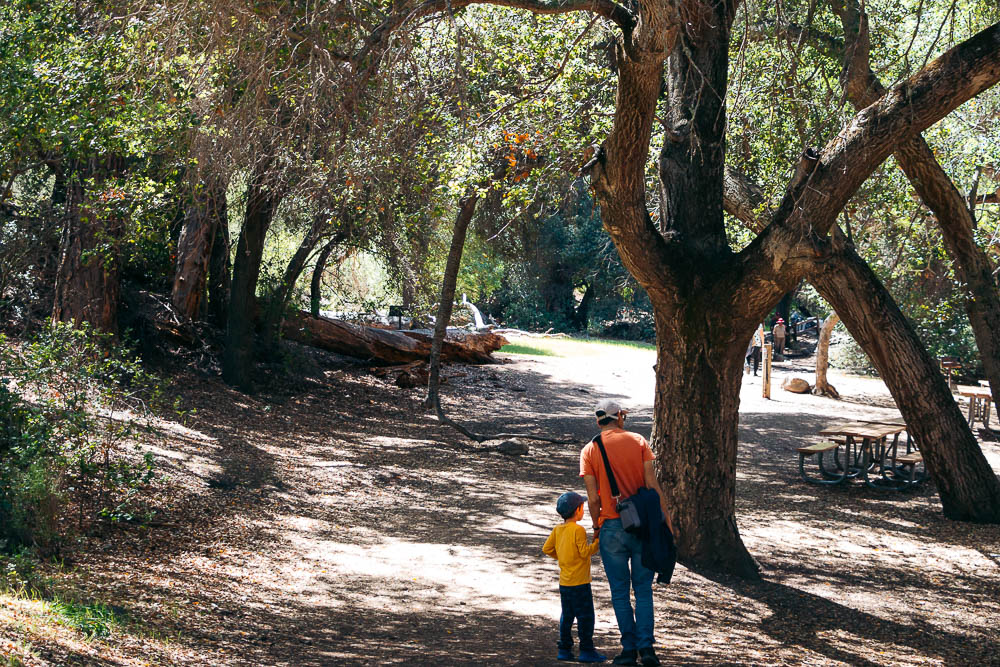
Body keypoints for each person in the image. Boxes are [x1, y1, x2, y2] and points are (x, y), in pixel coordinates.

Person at [581, 400, 673, 667]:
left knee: (619, 592)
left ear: (598, 421)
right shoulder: (638, 441)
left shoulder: (589, 450)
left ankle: (628, 649)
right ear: (619, 417)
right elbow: (652, 484)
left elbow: (592, 498)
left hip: (611, 527)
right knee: (643, 590)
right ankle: (647, 650)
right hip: (643, 526)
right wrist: (666, 519)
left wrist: (597, 526)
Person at [543, 492, 607, 664]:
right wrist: (597, 543)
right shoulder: (578, 530)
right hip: (581, 582)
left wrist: (563, 557)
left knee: (567, 615)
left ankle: (564, 649)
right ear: (577, 510)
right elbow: (584, 552)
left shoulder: (558, 530)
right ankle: (586, 649)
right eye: (582, 508)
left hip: (565, 582)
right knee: (586, 616)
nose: (583, 511)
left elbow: (547, 549)